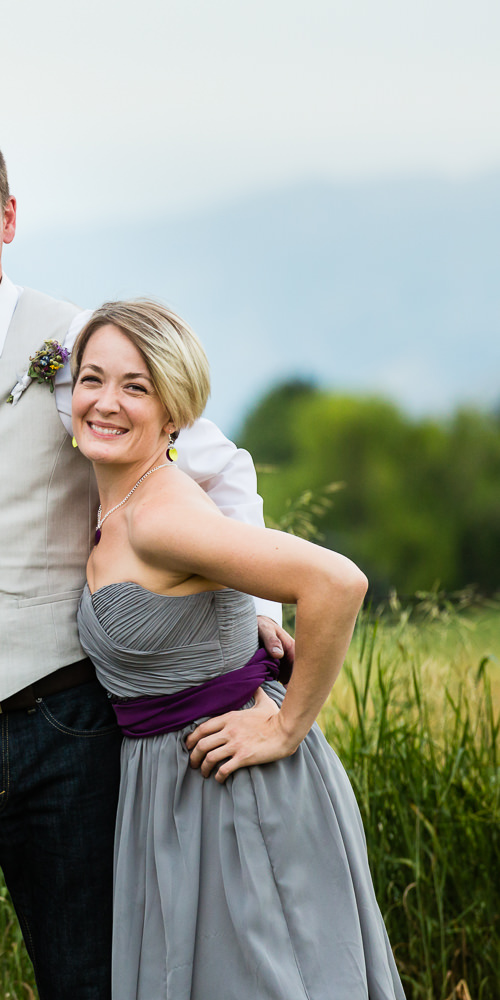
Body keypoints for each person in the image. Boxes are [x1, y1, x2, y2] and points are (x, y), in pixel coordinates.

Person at [0, 119, 290, 1000]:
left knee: (92, 982)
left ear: (8, 216)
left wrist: (261, 613)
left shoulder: (81, 342)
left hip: (66, 726)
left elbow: (218, 468)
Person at [71, 299, 404, 999]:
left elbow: (337, 582)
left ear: (173, 415)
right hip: (172, 792)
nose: (105, 402)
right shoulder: (118, 502)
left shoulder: (164, 516)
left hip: (238, 789)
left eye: (136, 387)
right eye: (91, 379)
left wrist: (287, 727)